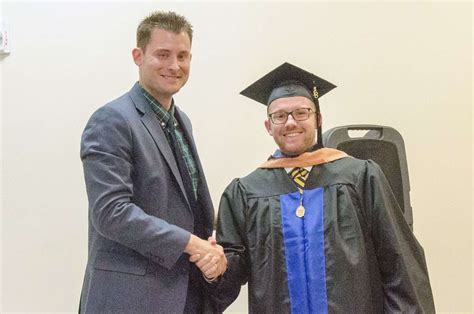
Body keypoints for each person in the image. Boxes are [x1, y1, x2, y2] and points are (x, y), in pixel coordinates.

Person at [204, 62, 435, 313]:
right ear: (268, 126)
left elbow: (399, 263)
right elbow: (230, 275)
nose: (290, 122)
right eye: (280, 116)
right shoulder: (245, 193)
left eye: (301, 112)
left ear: (318, 119)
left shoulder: (360, 177)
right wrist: (217, 268)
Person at [79, 11, 226, 313]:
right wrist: (190, 243)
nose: (174, 66)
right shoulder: (112, 120)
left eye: (183, 56)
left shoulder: (181, 120)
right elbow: (111, 213)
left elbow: (190, 204)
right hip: (131, 299)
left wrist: (211, 249)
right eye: (163, 54)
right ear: (138, 55)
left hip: (186, 293)